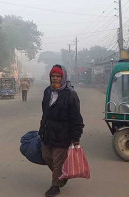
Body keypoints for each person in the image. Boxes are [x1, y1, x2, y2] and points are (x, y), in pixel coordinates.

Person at [38, 65, 84, 197]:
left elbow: (76, 118)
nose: (55, 79)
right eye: (53, 76)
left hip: (63, 134)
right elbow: (45, 113)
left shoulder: (71, 95)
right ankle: (62, 176)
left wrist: (76, 138)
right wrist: (41, 129)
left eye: (58, 76)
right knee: (47, 157)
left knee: (58, 162)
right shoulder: (47, 91)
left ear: (63, 78)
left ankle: (55, 186)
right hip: (48, 133)